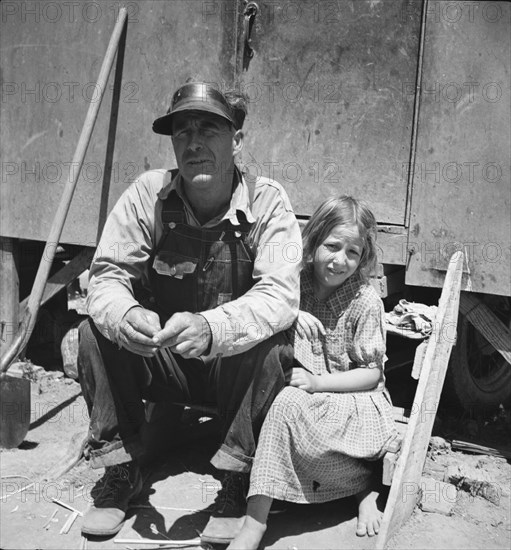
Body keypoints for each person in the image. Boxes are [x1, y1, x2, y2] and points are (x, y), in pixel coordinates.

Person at [77, 82, 301, 537]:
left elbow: (279, 296)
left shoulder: (268, 201)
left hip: (230, 368)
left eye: (209, 130)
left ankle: (238, 477)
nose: (194, 143)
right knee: (94, 330)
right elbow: (107, 278)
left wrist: (211, 328)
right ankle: (121, 470)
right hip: (166, 359)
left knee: (273, 343)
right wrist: (125, 316)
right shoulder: (148, 195)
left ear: (236, 140)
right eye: (183, 132)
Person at [228, 196, 397, 549]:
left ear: (363, 256)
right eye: (332, 247)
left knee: (287, 404)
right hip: (309, 395)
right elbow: (257, 310)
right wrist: (290, 313)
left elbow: (370, 375)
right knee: (270, 394)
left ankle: (254, 524)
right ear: (314, 240)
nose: (340, 260)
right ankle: (358, 488)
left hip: (355, 401)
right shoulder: (295, 282)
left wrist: (319, 383)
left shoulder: (365, 300)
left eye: (353, 252)